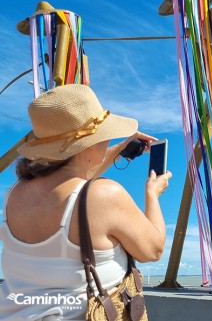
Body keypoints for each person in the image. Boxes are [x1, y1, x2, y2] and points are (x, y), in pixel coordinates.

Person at [0, 84, 172, 320]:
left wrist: (121, 149)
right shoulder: (104, 194)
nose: (108, 140)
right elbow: (153, 250)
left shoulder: (14, 193)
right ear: (89, 144)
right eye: (104, 136)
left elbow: (70, 185)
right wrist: (152, 194)